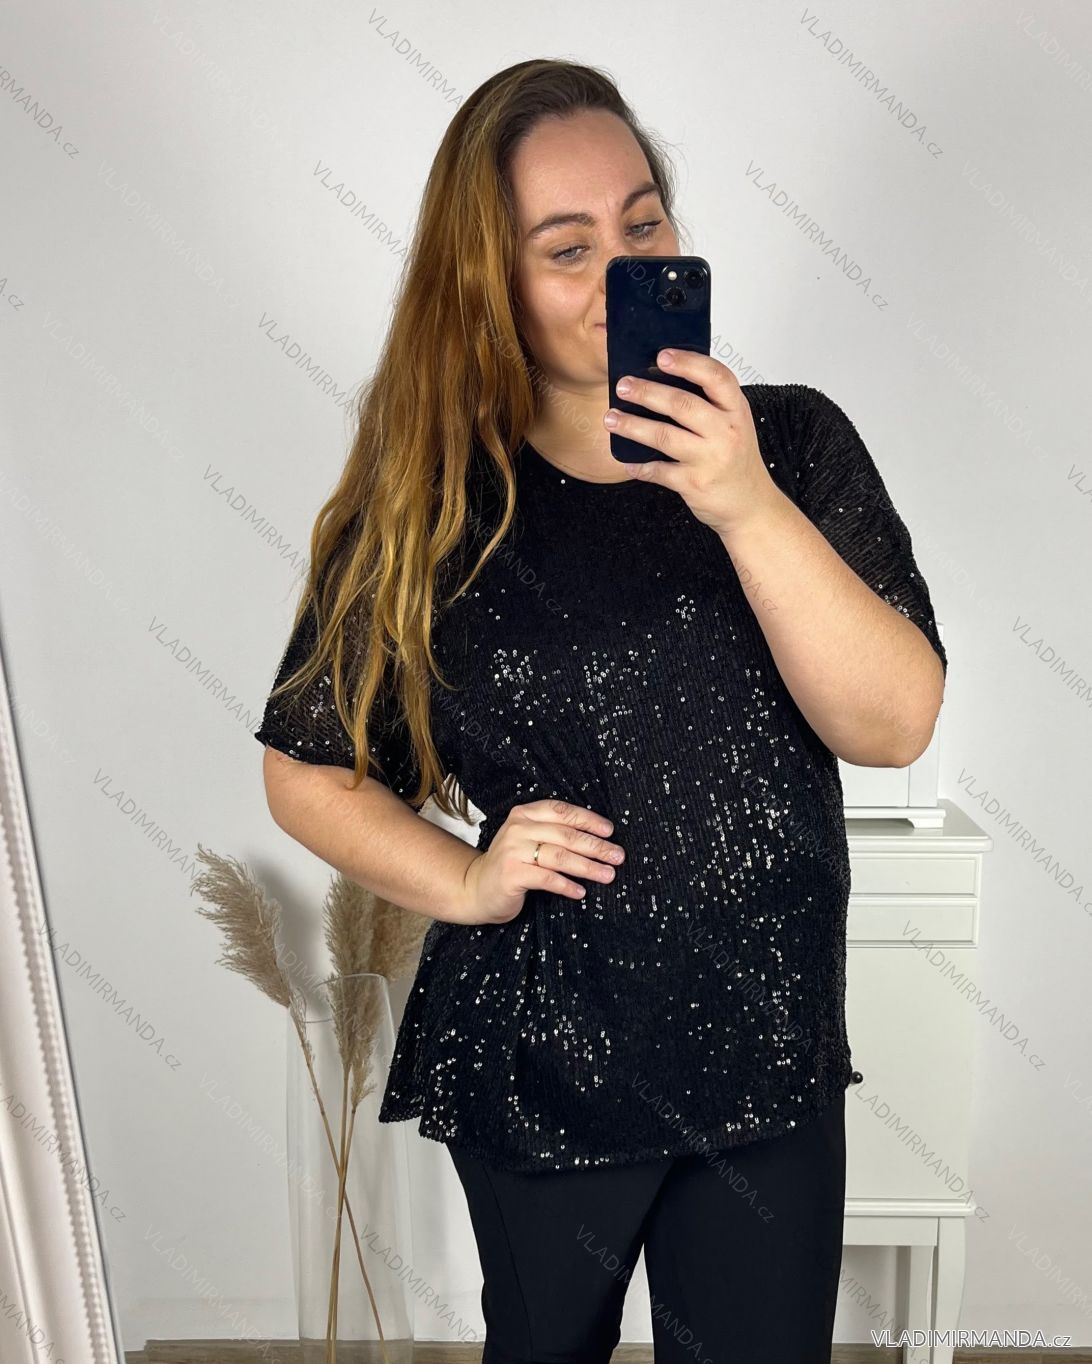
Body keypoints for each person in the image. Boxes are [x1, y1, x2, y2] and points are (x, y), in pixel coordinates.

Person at [254, 58, 947, 1364]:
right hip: (546, 1053)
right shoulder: (436, 505)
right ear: (491, 282)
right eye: (568, 248)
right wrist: (466, 880)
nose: (624, 270)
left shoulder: (792, 446)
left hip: (766, 1048)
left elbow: (894, 722)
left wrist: (742, 501)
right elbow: (309, 768)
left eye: (644, 224)